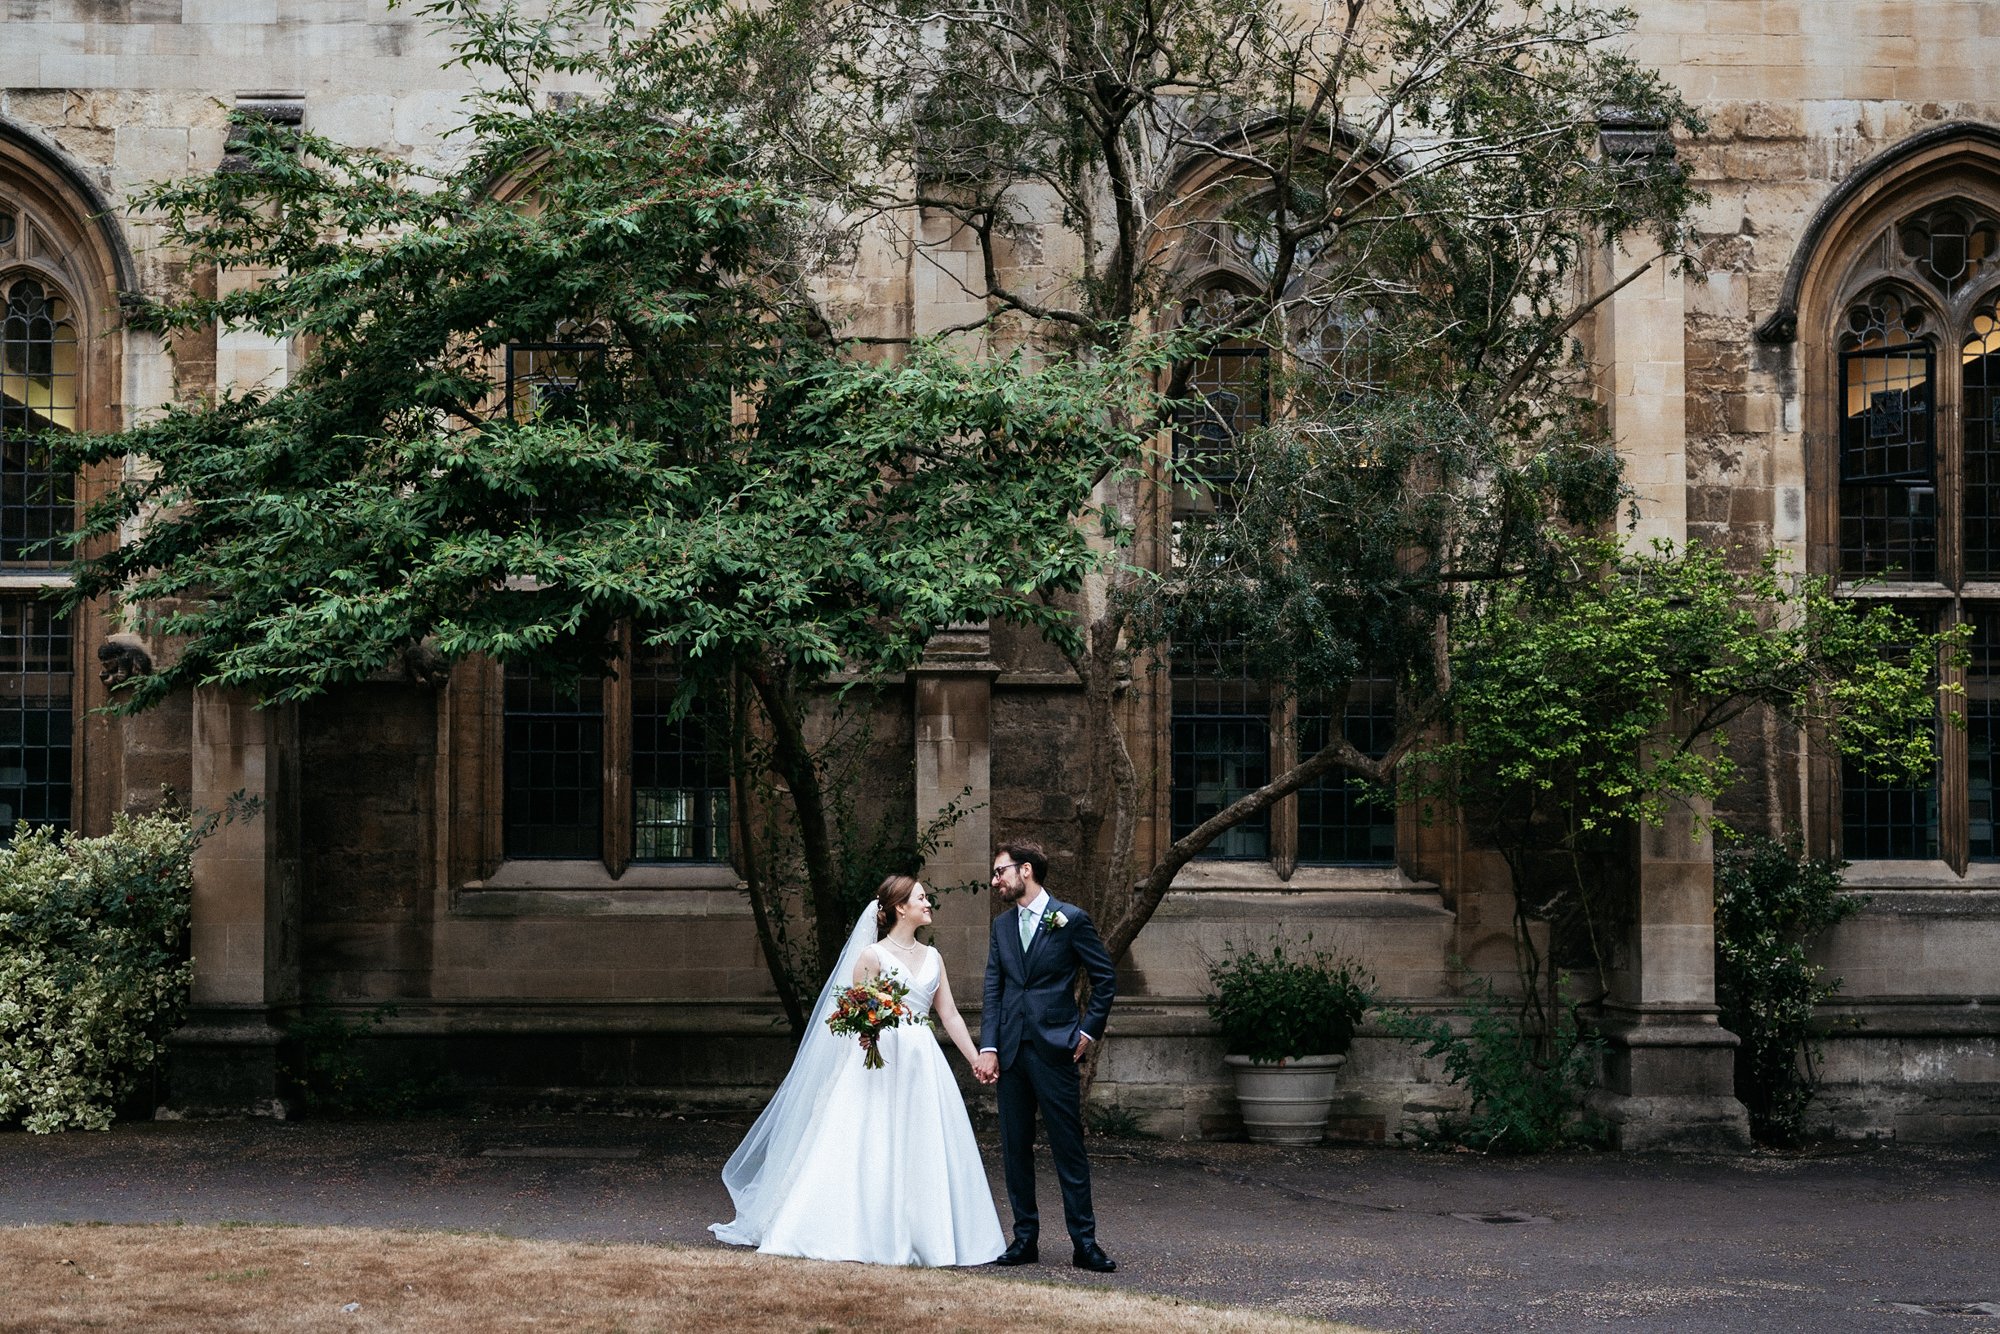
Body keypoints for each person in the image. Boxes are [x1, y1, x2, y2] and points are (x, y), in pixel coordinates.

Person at [710, 874, 1005, 1266]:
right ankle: (858, 1231)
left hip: (923, 1062)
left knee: (925, 1142)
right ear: (901, 907)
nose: (928, 902)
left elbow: (948, 1014)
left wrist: (974, 1059)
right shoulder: (872, 957)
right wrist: (873, 1032)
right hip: (879, 1062)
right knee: (871, 1143)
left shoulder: (933, 958)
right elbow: (853, 1015)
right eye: (921, 897)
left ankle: (928, 1234)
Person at [973, 839, 1119, 1272]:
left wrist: (1088, 1031)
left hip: (1056, 1050)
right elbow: (994, 987)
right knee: (1015, 1149)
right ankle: (1024, 1240)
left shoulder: (1070, 920)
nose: (995, 880)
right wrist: (990, 1046)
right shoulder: (1001, 926)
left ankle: (1085, 1243)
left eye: (1001, 871)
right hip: (1012, 1053)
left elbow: (1105, 978)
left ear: (1026, 871)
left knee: (1067, 1148)